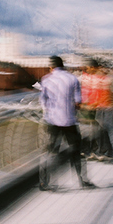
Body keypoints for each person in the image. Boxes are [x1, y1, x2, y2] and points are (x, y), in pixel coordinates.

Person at [39, 56, 96, 191]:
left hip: (52, 121)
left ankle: (44, 182)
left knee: (50, 152)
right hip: (69, 121)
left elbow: (43, 102)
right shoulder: (73, 79)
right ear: (62, 65)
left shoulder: (46, 80)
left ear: (51, 67)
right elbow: (78, 102)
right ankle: (82, 180)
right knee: (76, 151)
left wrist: (48, 112)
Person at [80, 59, 113, 161]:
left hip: (104, 108)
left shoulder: (102, 78)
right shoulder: (95, 77)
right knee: (96, 130)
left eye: (89, 68)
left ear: (94, 67)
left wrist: (92, 104)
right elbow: (92, 93)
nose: (87, 70)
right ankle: (96, 151)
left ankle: (107, 152)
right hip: (97, 107)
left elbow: (104, 95)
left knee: (101, 130)